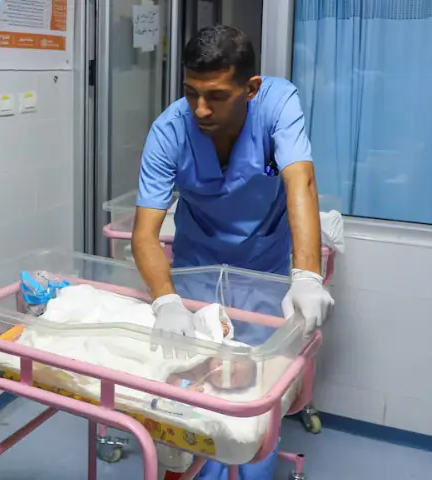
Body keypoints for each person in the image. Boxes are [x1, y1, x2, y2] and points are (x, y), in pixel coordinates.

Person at [132, 26, 335, 479]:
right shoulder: (170, 131)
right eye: (191, 93)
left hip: (263, 271)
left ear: (251, 88)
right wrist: (166, 301)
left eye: (216, 96)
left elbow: (300, 181)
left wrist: (306, 275)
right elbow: (144, 234)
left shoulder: (278, 104)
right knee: (194, 392)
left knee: (254, 399)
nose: (200, 109)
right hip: (197, 270)